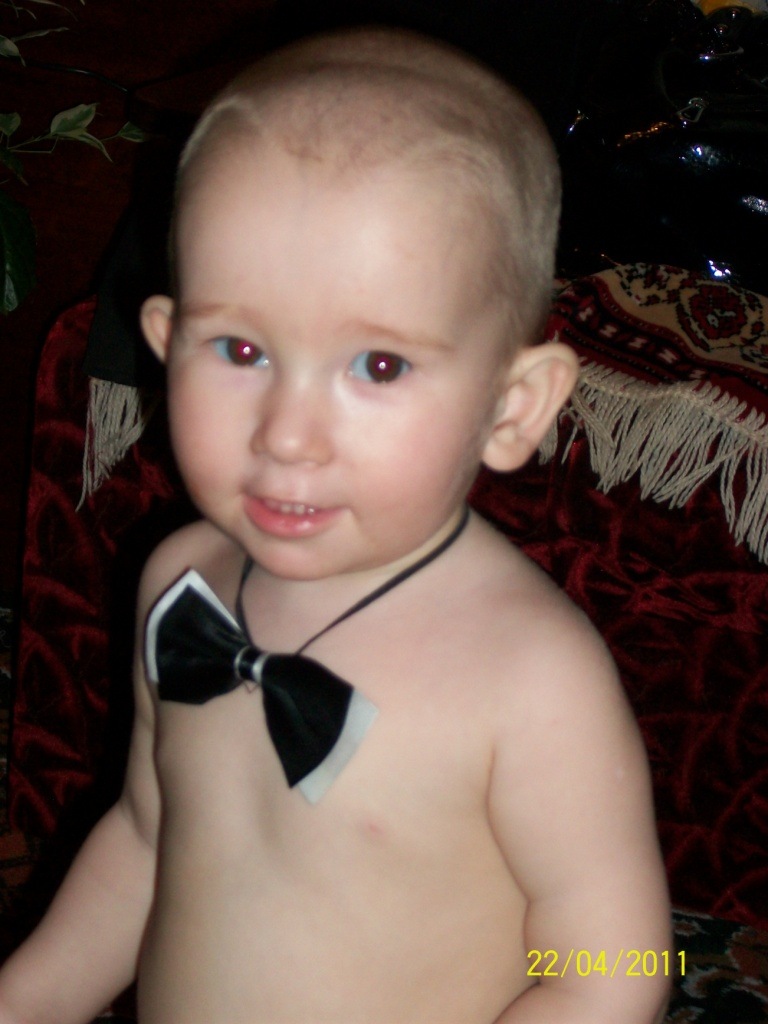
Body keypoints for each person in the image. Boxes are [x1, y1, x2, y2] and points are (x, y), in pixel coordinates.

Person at [0, 25, 672, 1024]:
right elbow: (144, 838)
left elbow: (616, 970)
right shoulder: (180, 584)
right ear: (164, 346)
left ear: (512, 407)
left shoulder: (531, 675)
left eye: (378, 366)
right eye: (240, 349)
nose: (288, 435)